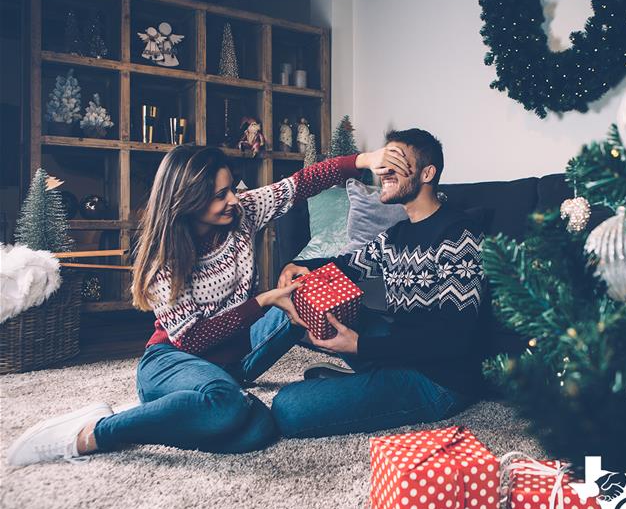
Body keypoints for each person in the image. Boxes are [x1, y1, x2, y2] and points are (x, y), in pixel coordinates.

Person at [7, 145, 400, 466]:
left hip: (235, 362)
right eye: (219, 195)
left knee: (260, 429)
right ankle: (94, 431)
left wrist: (364, 160)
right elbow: (192, 340)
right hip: (172, 360)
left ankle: (377, 379)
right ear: (187, 199)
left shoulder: (241, 215)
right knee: (227, 405)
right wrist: (264, 300)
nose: (234, 200)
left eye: (231, 189)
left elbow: (301, 184)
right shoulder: (163, 258)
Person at [268, 128, 488, 438]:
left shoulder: (458, 235)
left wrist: (361, 346)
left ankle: (362, 384)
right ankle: (236, 375)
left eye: (395, 160)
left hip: (440, 380)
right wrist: (297, 265)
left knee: (288, 409)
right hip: (400, 348)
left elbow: (456, 337)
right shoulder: (397, 234)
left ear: (427, 173)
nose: (383, 170)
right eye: (383, 161)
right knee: (305, 289)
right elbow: (345, 266)